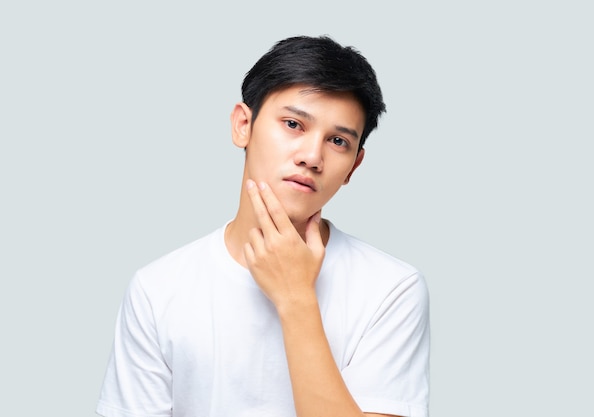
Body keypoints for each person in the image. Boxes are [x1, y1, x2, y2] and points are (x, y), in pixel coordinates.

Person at [96, 35, 430, 417]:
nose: (311, 156)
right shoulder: (157, 290)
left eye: (338, 141)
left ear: (354, 166)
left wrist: (296, 299)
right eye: (293, 124)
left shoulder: (392, 290)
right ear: (243, 125)